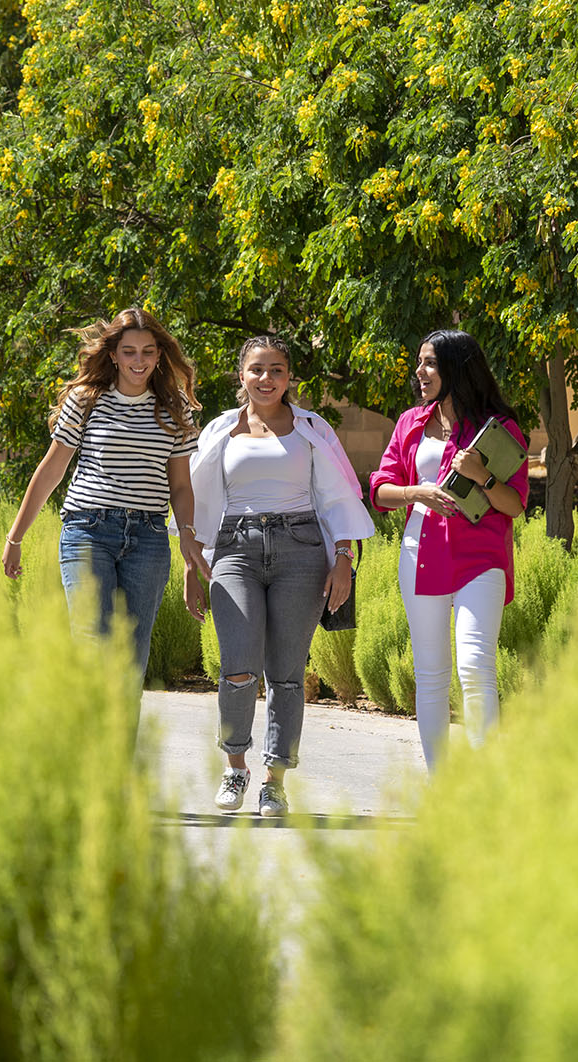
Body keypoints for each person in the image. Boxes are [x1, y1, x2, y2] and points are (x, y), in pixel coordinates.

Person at [185, 336, 373, 817]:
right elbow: (195, 499)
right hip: (235, 549)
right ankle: (234, 767)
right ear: (240, 376)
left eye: (277, 370)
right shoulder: (220, 431)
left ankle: (275, 780)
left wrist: (343, 560)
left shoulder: (312, 428)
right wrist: (191, 563)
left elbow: (340, 495)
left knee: (287, 675)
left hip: (302, 551)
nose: (266, 379)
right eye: (256, 369)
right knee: (238, 667)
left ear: (290, 378)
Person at [1, 308, 205, 675]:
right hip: (89, 531)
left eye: (147, 351)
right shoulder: (87, 398)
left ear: (159, 354)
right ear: (113, 354)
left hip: (149, 537)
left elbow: (180, 485)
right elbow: (52, 469)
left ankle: (119, 735)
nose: (138, 360)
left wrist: (187, 534)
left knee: (129, 659)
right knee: (93, 646)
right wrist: (15, 537)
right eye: (129, 351)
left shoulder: (176, 408)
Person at [367, 330, 530, 772]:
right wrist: (416, 492)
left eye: (431, 364)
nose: (420, 372)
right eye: (420, 362)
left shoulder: (499, 429)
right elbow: (380, 490)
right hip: (421, 557)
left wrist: (481, 475)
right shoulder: (410, 423)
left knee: (476, 665)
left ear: (458, 368)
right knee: (432, 676)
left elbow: (515, 504)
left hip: (481, 560)